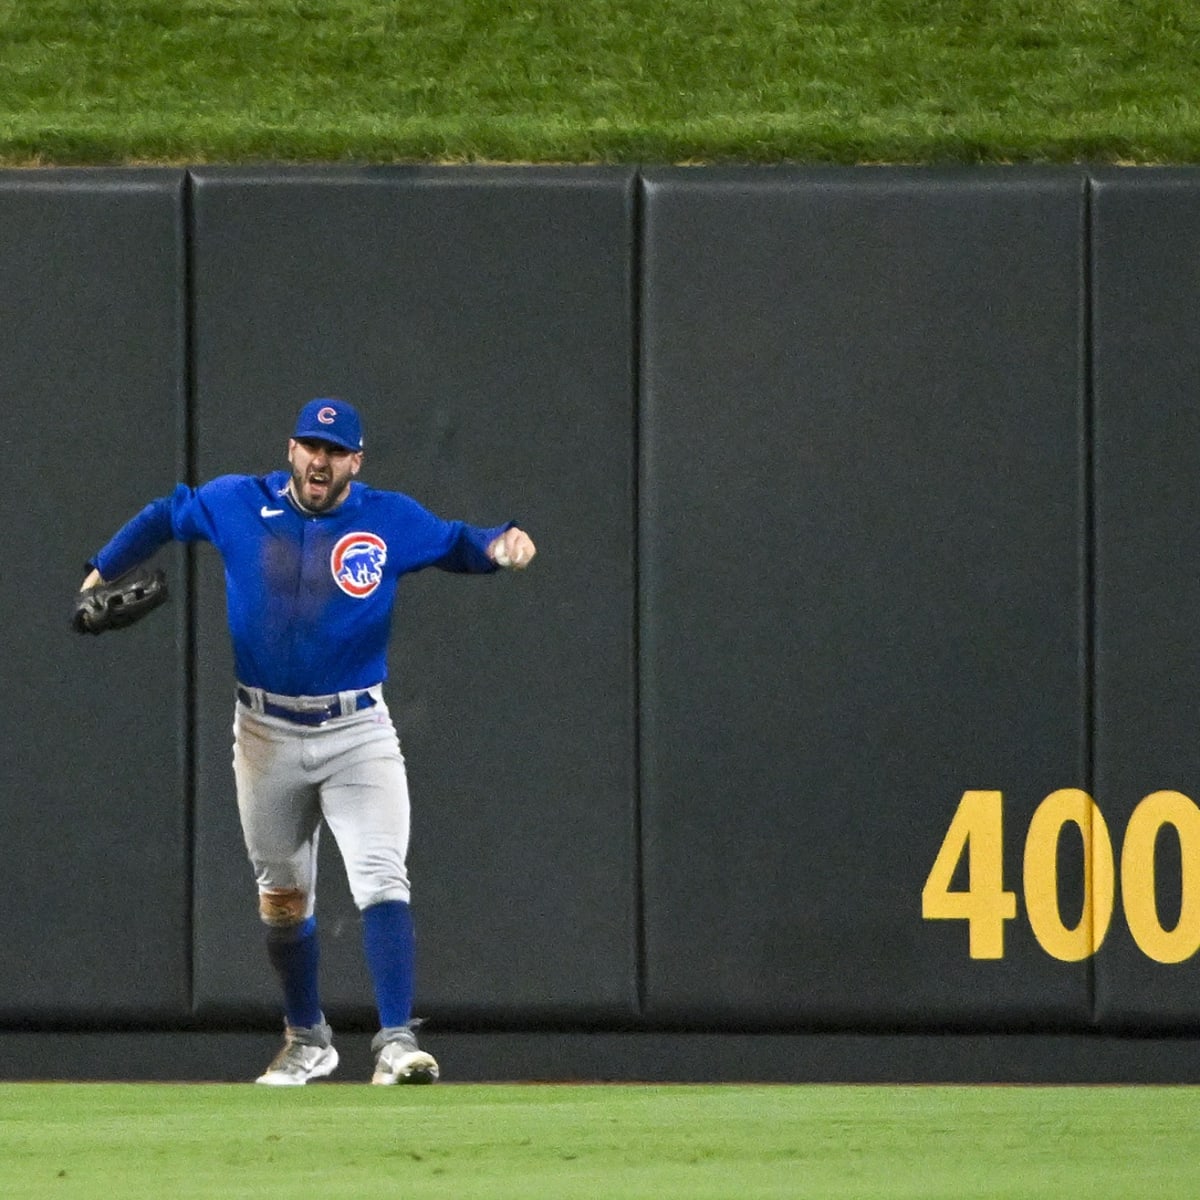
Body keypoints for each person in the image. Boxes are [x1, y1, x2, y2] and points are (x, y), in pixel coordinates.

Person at [79, 398, 536, 1085]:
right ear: (290, 449)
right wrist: (97, 572)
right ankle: (307, 1037)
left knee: (381, 875)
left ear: (356, 461)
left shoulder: (387, 518)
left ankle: (395, 1041)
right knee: (283, 898)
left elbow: (457, 542)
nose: (319, 460)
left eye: (334, 450)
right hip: (264, 731)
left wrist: (501, 542)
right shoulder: (238, 502)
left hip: (357, 730)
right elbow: (164, 514)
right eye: (308, 446)